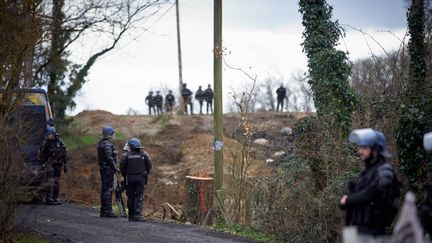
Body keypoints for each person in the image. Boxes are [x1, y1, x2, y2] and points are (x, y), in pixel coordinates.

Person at [340, 128, 400, 236]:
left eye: (364, 148)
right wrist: (346, 200)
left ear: (375, 150)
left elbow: (370, 194)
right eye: (360, 147)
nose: (360, 151)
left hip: (373, 231)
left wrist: (348, 200)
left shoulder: (384, 170)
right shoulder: (366, 173)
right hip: (358, 229)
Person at [120, 138, 152, 222]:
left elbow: (122, 168)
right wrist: (146, 173)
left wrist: (125, 176)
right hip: (141, 178)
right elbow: (149, 166)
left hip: (129, 178)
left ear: (130, 146)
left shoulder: (126, 155)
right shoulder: (144, 154)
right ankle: (137, 215)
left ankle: (131, 215)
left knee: (130, 196)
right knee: (139, 196)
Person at [39, 126, 67, 205]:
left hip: (58, 164)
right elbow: (42, 155)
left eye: (50, 134)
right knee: (50, 181)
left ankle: (55, 197)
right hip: (49, 164)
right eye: (48, 134)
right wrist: (42, 164)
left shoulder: (60, 142)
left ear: (54, 134)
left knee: (57, 181)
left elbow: (64, 153)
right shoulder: (46, 143)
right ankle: (49, 198)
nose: (48, 136)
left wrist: (65, 164)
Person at [97, 126, 119, 218]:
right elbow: (109, 157)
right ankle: (107, 211)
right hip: (107, 170)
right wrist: (115, 168)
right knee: (108, 190)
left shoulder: (101, 143)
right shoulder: (107, 144)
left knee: (105, 189)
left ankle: (104, 210)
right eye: (113, 134)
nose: (114, 135)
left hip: (104, 169)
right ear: (109, 134)